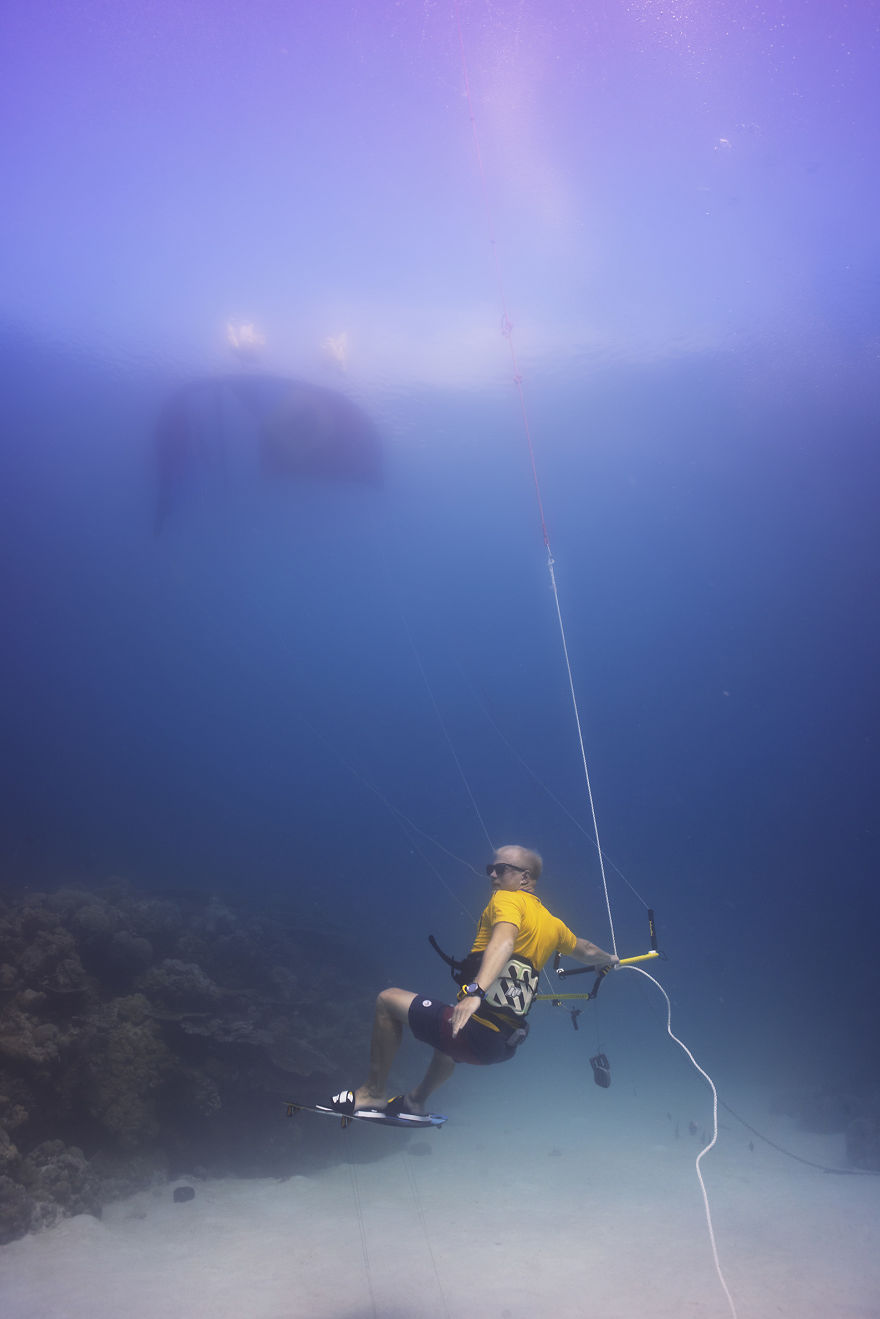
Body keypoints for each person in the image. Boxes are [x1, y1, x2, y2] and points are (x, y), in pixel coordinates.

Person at [326, 843, 618, 1117]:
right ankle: (416, 1101)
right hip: (503, 1046)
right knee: (451, 1030)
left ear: (525, 878)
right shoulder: (553, 923)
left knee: (387, 1000)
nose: (491, 873)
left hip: (475, 1035)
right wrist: (608, 959)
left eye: (501, 869)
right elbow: (586, 949)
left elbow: (504, 940)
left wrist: (475, 991)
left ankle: (372, 1092)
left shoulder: (506, 899)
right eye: (490, 867)